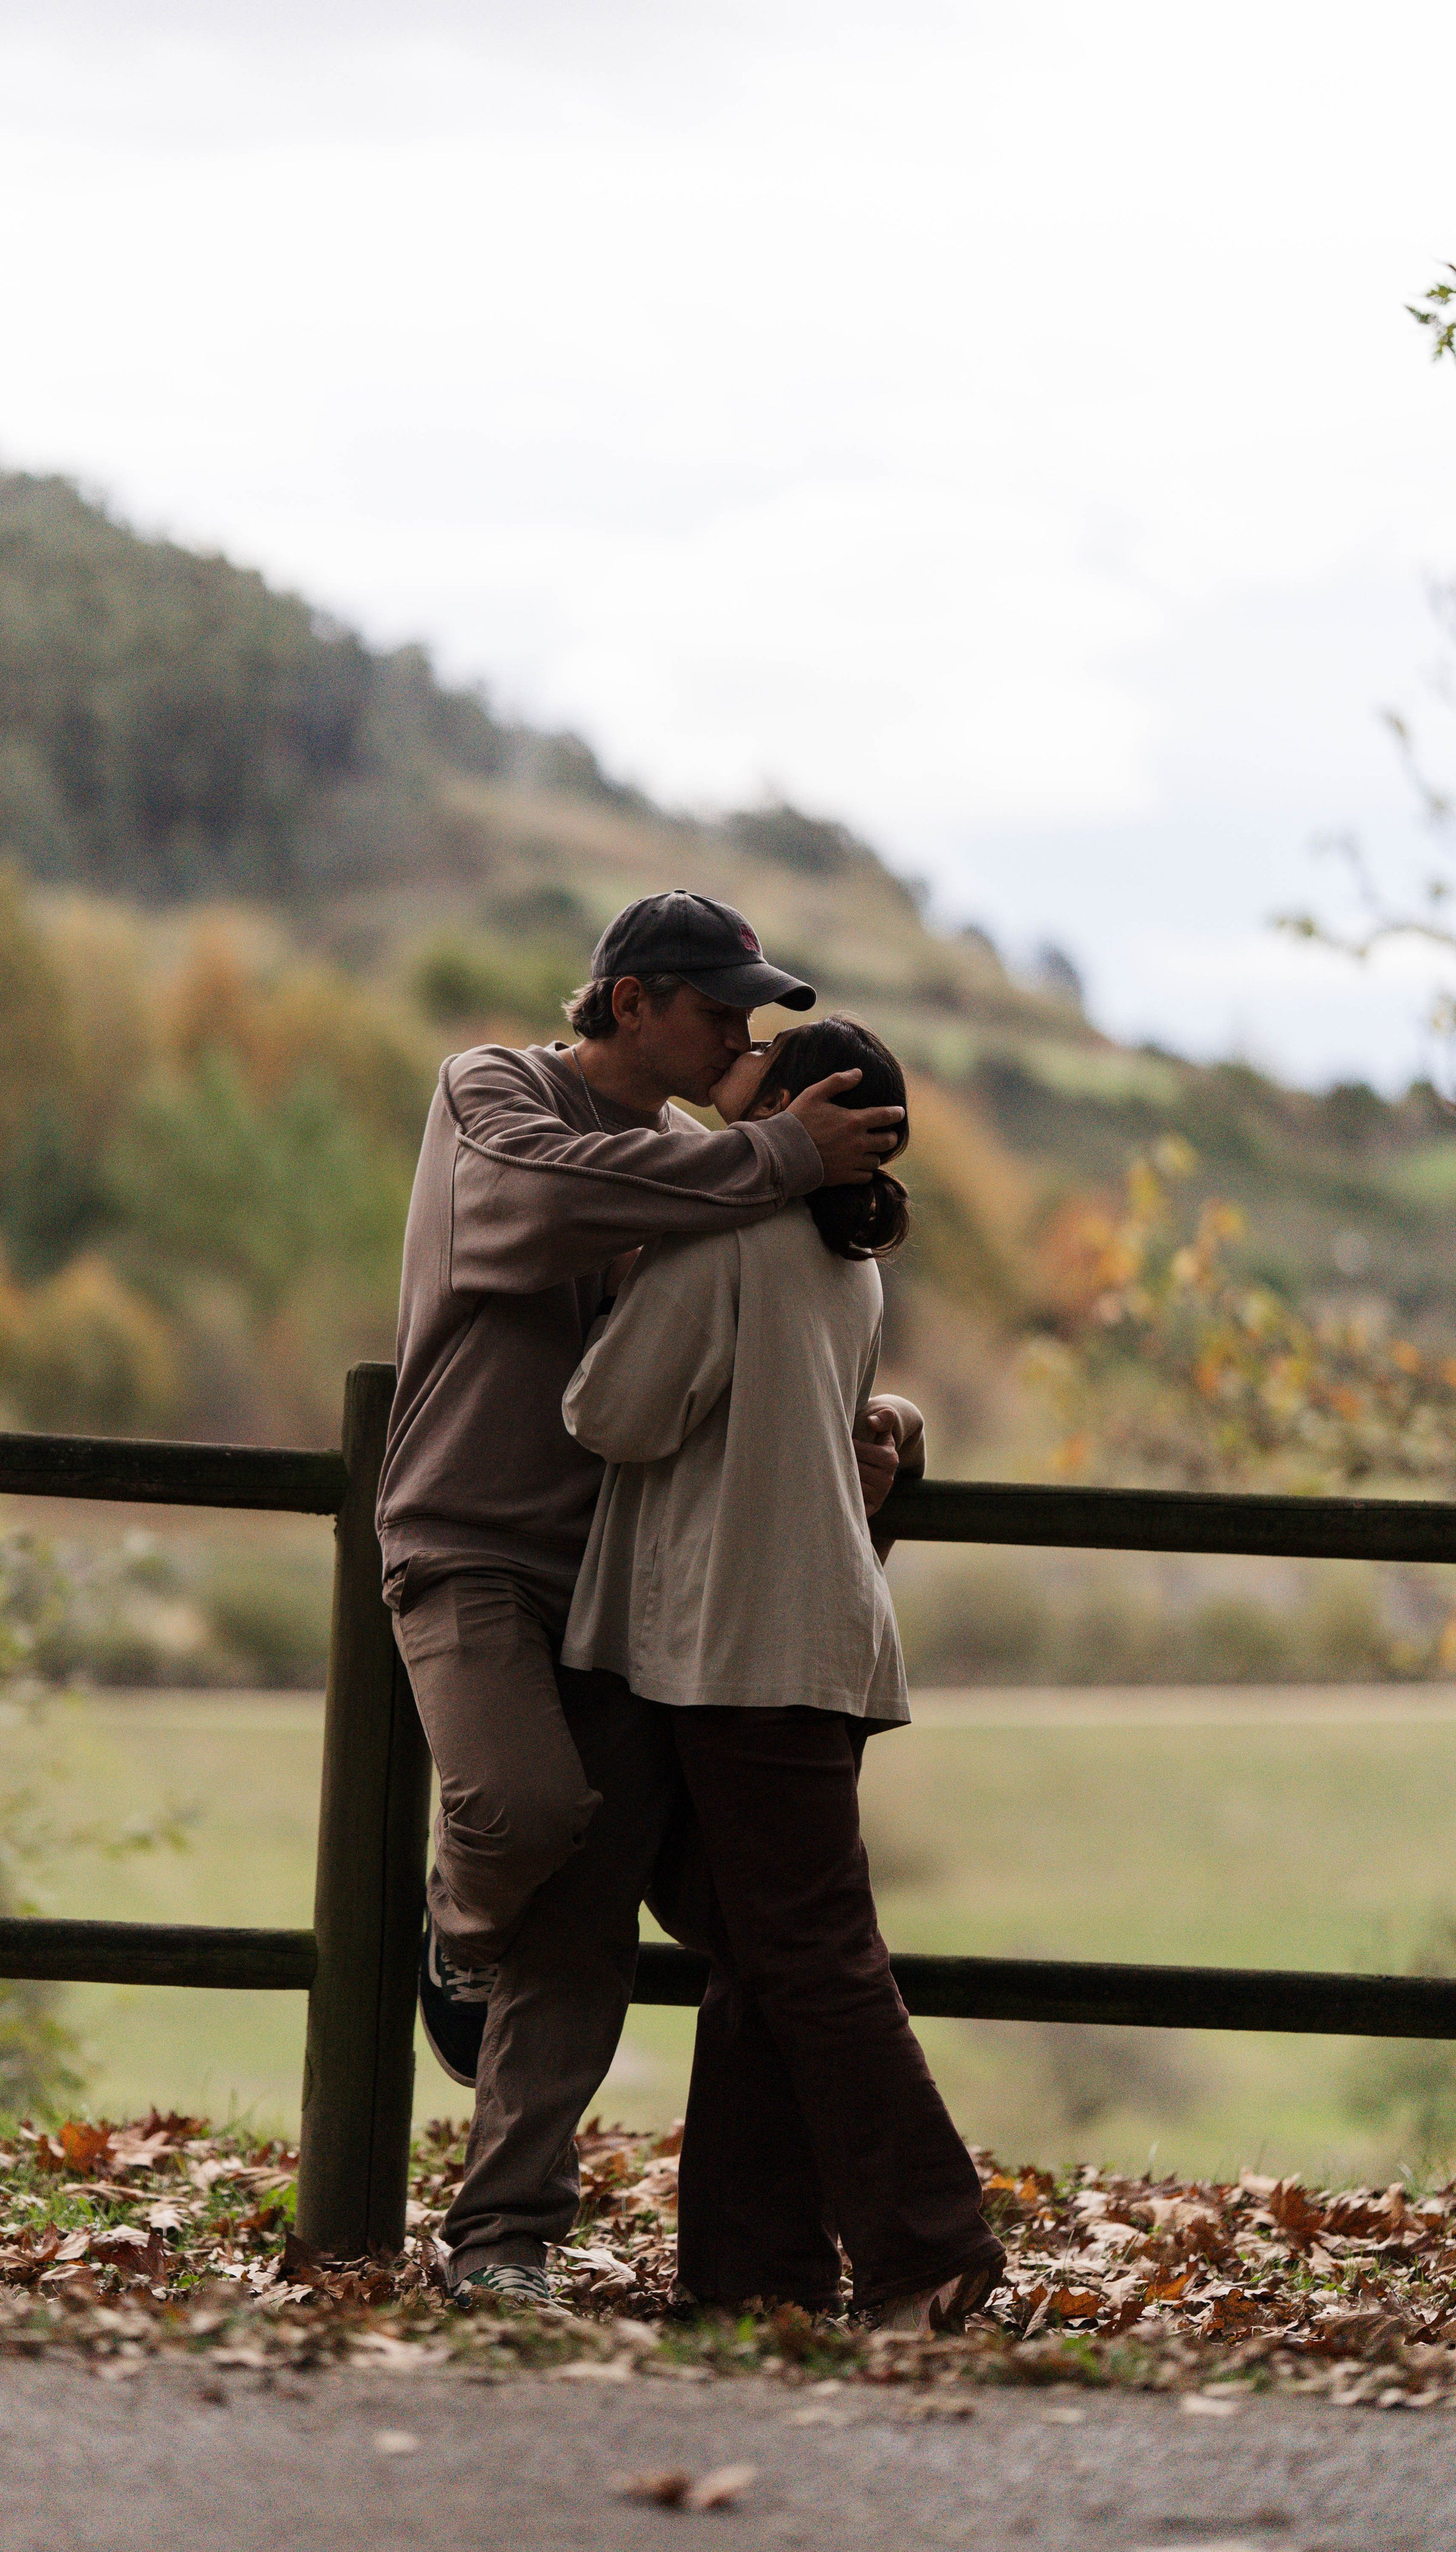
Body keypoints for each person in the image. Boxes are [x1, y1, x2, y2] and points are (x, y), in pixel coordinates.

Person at [377, 892, 911, 2307]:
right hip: (471, 1540)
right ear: (627, 1003)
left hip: (623, 1587)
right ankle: (453, 1922)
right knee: (518, 1816)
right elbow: (535, 1206)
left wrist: (871, 1414)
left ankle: (499, 2243)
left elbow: (742, 1325)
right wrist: (777, 1149)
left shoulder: (700, 1165)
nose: (741, 1033)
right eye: (720, 1009)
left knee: (586, 1919)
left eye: (751, 1018)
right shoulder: (490, 1092)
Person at [561, 1016, 1004, 2329]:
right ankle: (756, 2275)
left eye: (752, 1074)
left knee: (804, 1952)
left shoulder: (732, 1239)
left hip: (741, 1639)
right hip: (810, 1629)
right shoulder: (841, 1254)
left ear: (797, 1109)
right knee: (762, 1945)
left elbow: (609, 1414)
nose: (723, 1077)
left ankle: (932, 2248)